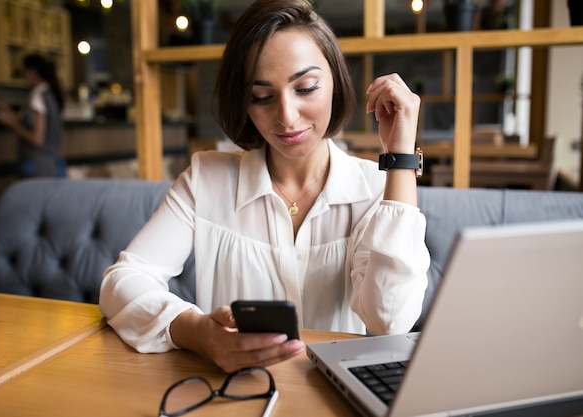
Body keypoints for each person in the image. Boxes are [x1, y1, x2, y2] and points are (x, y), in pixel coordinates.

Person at [100, 0, 430, 373]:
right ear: (244, 102)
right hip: (235, 395)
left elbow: (390, 320)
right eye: (262, 97)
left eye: (305, 88)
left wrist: (401, 158)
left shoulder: (374, 190)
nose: (287, 118)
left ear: (335, 82)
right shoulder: (205, 180)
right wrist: (197, 333)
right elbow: (122, 282)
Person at [0, 53, 66, 177]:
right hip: (49, 165)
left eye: (24, 71)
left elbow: (37, 139)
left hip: (38, 167)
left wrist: (14, 124)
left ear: (32, 71)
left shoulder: (38, 95)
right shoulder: (49, 93)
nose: (24, 76)